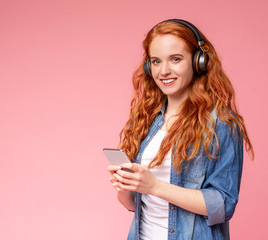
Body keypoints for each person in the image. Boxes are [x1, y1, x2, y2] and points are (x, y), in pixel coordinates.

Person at [107, 19, 254, 240]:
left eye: (175, 59)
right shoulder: (147, 120)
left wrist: (154, 186)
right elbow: (134, 205)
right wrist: (126, 186)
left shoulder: (221, 123)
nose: (164, 71)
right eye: (156, 61)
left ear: (199, 62)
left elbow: (223, 205)